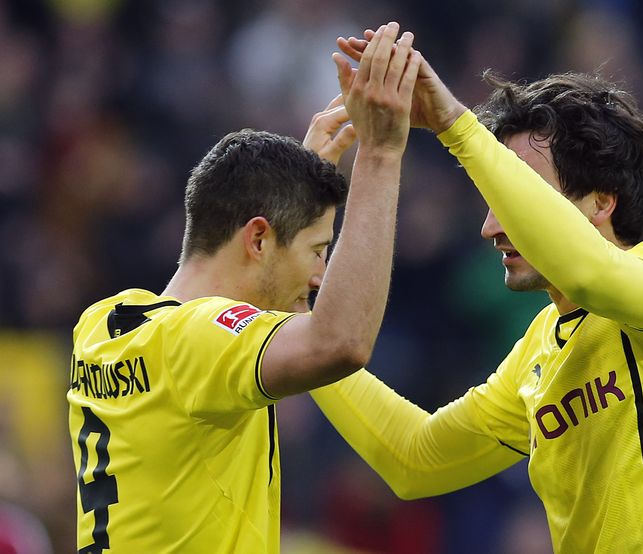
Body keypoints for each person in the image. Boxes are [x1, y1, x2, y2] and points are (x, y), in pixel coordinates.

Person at [310, 30, 643, 553]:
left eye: (519, 194)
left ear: (601, 202)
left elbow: (591, 274)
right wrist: (302, 322)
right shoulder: (538, 350)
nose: (490, 227)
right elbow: (414, 459)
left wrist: (456, 125)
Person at [67, 22, 421, 553]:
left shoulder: (101, 325)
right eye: (318, 252)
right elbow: (340, 342)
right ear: (257, 238)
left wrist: (297, 205)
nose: (320, 277)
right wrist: (381, 154)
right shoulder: (200, 339)